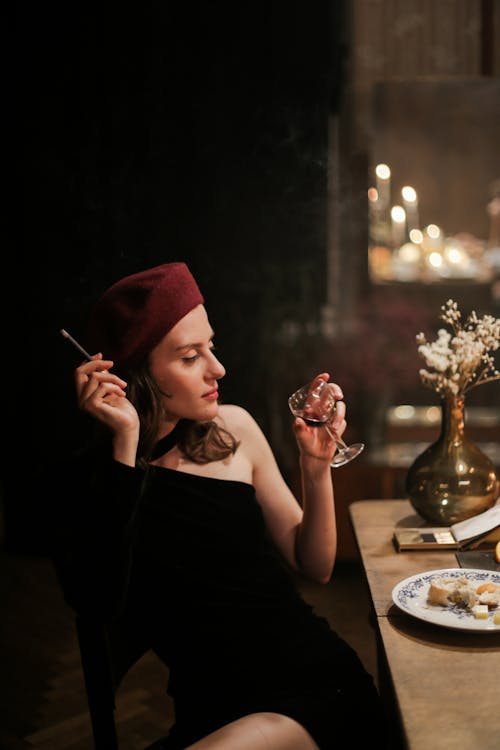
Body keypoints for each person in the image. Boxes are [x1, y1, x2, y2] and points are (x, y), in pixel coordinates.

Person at [51, 262, 387, 750]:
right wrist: (125, 444)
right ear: (134, 375)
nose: (218, 368)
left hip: (309, 687)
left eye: (211, 346)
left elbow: (314, 565)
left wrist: (314, 468)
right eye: (191, 357)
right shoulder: (95, 481)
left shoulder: (234, 428)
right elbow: (98, 603)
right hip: (211, 707)